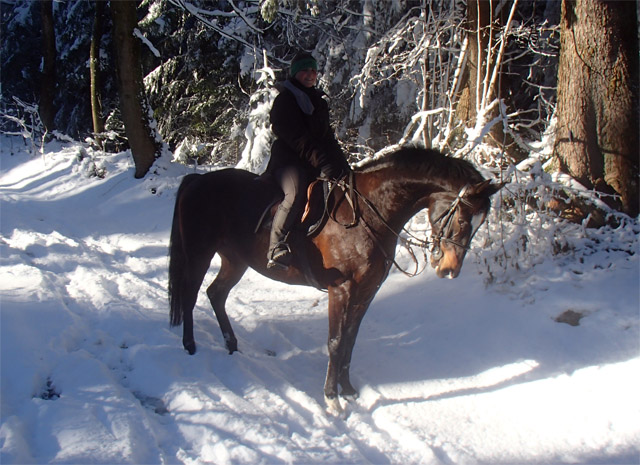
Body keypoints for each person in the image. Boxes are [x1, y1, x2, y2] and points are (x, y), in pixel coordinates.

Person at [265, 51, 351, 269]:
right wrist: (321, 160)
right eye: (305, 70)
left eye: (313, 70)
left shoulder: (318, 102)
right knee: (295, 193)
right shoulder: (285, 100)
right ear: (296, 73)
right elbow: (296, 138)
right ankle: (276, 244)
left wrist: (342, 165)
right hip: (288, 162)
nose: (310, 74)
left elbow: (327, 137)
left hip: (312, 162)